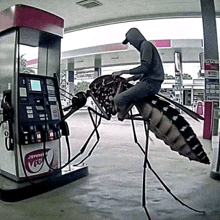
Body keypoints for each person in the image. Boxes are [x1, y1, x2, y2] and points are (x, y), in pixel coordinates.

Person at [112, 28, 164, 121]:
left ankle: (124, 113)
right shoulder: (146, 46)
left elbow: (144, 67)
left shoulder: (145, 45)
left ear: (135, 38)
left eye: (131, 41)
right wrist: (130, 79)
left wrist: (123, 72)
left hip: (149, 84)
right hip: (151, 83)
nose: (131, 44)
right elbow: (146, 71)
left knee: (117, 99)